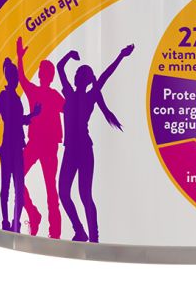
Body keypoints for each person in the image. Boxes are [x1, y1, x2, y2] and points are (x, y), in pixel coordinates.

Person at [57, 44, 134, 242]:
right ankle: (80, 231)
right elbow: (59, 67)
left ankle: (93, 237)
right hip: (72, 150)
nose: (76, 76)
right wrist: (69, 54)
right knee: (64, 193)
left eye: (80, 74)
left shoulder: (88, 96)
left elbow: (105, 75)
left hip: (83, 149)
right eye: (77, 74)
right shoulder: (71, 93)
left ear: (84, 80)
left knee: (84, 195)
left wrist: (121, 56)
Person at [16, 36, 65, 238]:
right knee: (20, 176)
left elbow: (70, 110)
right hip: (36, 144)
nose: (43, 75)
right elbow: (21, 78)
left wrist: (20, 58)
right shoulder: (38, 93)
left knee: (51, 189)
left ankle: (55, 233)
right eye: (43, 72)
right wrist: (19, 57)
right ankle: (34, 215)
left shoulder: (53, 96)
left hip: (47, 145)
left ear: (48, 76)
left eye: (45, 73)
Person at [0, 57, 40, 232]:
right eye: (15, 77)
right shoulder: (5, 96)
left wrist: (33, 115)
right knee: (7, 187)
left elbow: (18, 120)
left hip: (15, 147)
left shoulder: (15, 97)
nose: (17, 80)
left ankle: (14, 222)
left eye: (17, 77)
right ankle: (6, 221)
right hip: (9, 147)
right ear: (10, 78)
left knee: (17, 188)